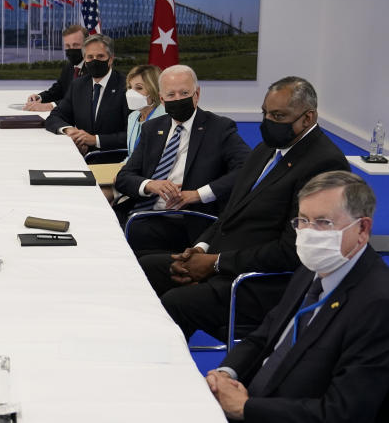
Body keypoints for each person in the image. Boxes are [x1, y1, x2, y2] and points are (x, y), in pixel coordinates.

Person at [139, 76, 350, 341]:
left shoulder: (323, 164)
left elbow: (293, 251)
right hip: (223, 261)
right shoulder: (266, 149)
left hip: (261, 282)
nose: (268, 122)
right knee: (145, 269)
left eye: (278, 116)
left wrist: (214, 265)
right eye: (265, 113)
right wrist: (200, 249)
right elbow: (230, 213)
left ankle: (167, 372)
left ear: (307, 118)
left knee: (176, 302)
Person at [207, 171, 389, 422]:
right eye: (303, 220)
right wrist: (227, 374)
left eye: (323, 222)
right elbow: (266, 334)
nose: (308, 233)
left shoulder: (378, 305)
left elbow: (344, 412)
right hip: (252, 399)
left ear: (362, 228)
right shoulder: (313, 266)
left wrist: (246, 409)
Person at [115, 65, 251, 254]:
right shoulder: (152, 128)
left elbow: (248, 169)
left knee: (130, 239)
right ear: (162, 99)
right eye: (171, 95)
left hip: (185, 218)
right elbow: (124, 177)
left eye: (184, 92)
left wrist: (197, 194)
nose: (178, 99)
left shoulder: (219, 128)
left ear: (197, 94)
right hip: (142, 211)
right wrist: (150, 185)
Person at [44, 34, 130, 156]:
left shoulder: (126, 87)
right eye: (90, 57)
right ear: (84, 59)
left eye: (100, 56)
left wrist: (95, 140)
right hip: (81, 155)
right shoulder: (78, 85)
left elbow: (132, 133)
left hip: (114, 160)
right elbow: (54, 117)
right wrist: (70, 131)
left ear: (110, 59)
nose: (95, 60)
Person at [23, 25, 87, 111]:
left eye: (75, 45)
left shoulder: (93, 69)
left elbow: (81, 99)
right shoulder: (69, 67)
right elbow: (58, 90)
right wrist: (40, 97)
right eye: (67, 46)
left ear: (86, 45)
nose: (71, 49)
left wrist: (50, 106)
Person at [122, 65, 164, 158]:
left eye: (139, 88)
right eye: (130, 87)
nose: (131, 93)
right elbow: (131, 156)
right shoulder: (133, 116)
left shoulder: (165, 118)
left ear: (154, 89)